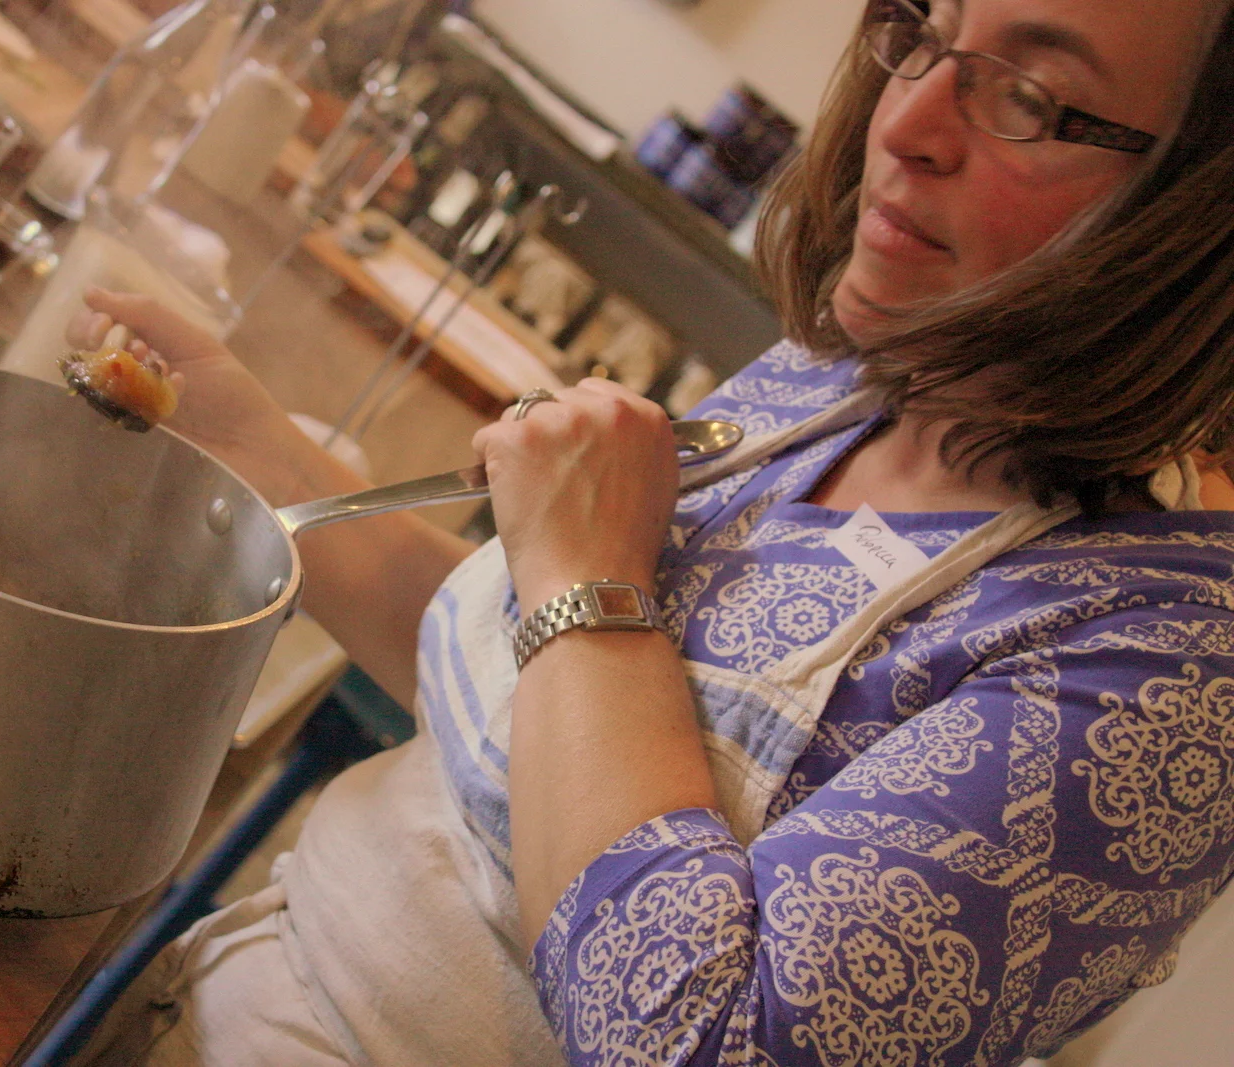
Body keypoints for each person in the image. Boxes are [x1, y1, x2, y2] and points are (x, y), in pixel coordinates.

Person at [72, 0, 1234, 1062]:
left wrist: (581, 565)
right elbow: (539, 727)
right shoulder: (839, 380)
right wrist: (242, 435)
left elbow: (700, 1039)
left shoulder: (1170, 671)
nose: (910, 123)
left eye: (1027, 97)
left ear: (1192, 219)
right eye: (923, 33)